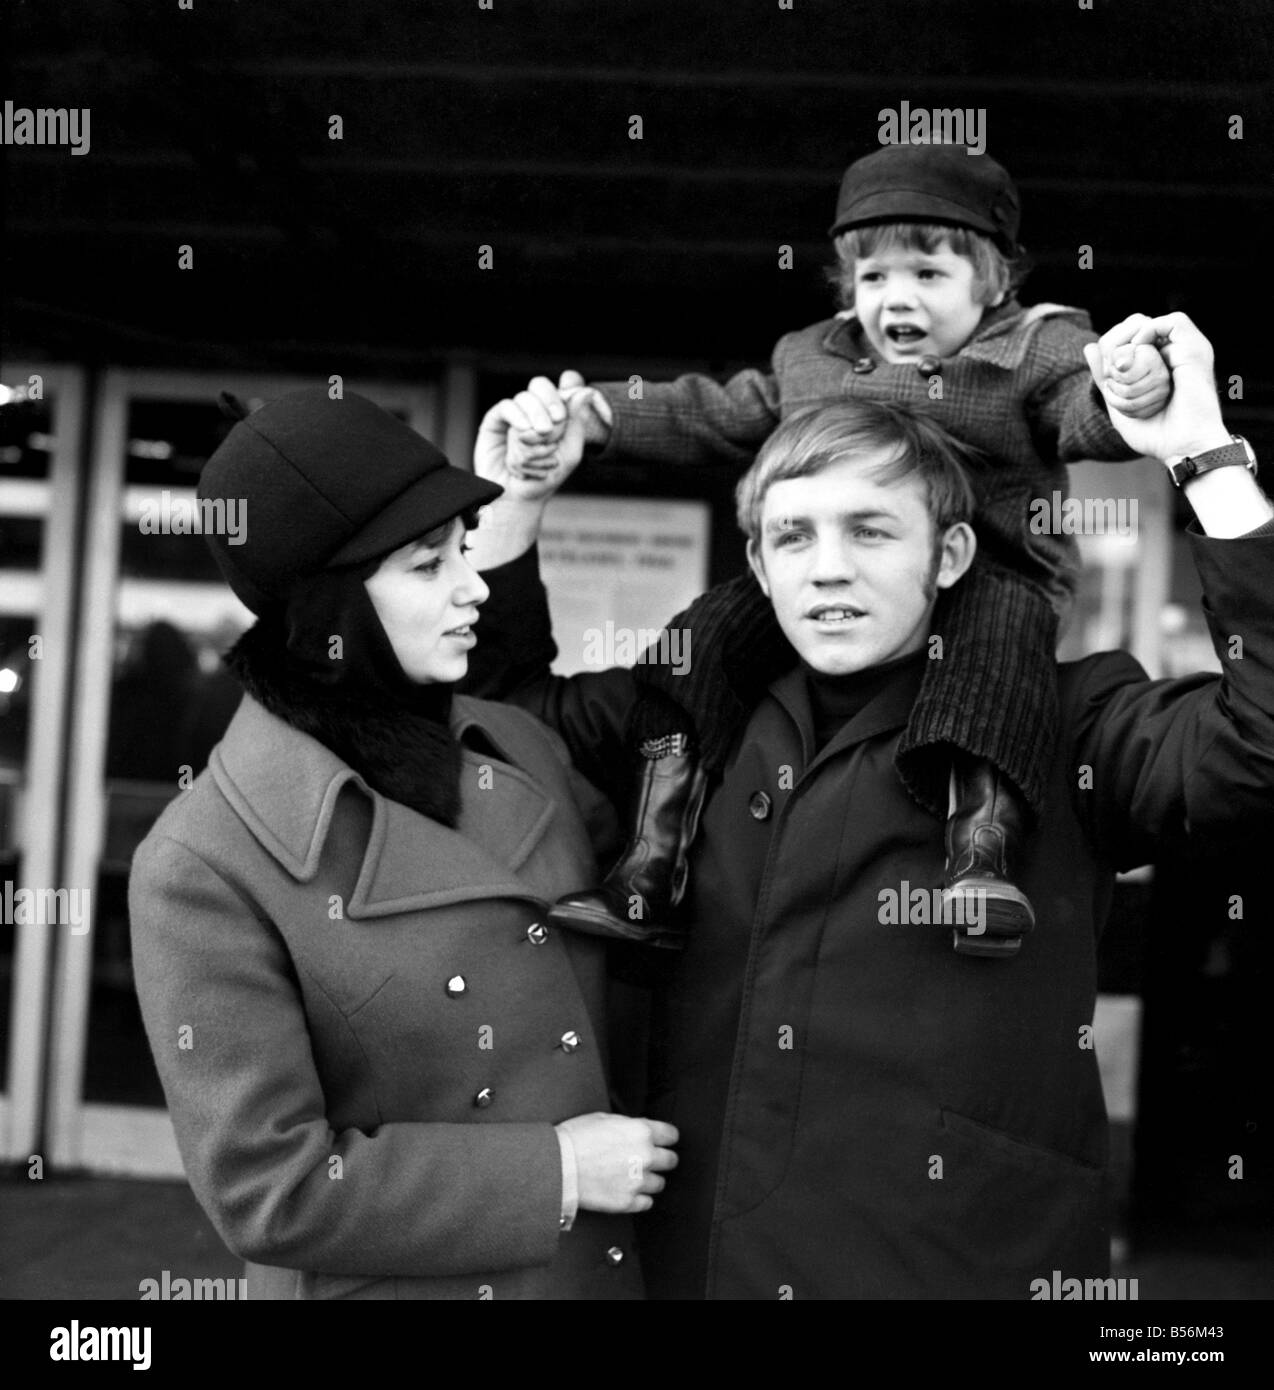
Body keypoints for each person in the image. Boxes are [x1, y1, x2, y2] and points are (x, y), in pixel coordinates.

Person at [463, 313, 1274, 1298]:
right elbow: (498, 722)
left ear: (949, 555)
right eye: (792, 536)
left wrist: (1200, 453)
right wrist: (513, 501)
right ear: (758, 567)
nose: (827, 566)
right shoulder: (682, 712)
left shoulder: (1070, 721)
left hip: (957, 1269)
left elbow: (1255, 747)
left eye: (870, 530)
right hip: (697, 1269)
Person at [505, 142, 1171, 957]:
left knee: (993, 658)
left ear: (993, 283)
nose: (898, 298)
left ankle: (980, 861)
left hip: (991, 571)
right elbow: (718, 410)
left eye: (929, 274)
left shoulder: (1034, 351)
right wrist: (598, 416)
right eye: (875, 277)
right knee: (700, 641)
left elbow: (1083, 412)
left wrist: (1133, 390)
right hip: (843, 570)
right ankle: (653, 866)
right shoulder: (813, 360)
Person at [127, 388, 677, 1301]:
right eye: (428, 567)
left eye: (464, 550)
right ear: (331, 608)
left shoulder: (518, 746)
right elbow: (271, 1192)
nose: (471, 586)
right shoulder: (203, 862)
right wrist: (559, 1173)